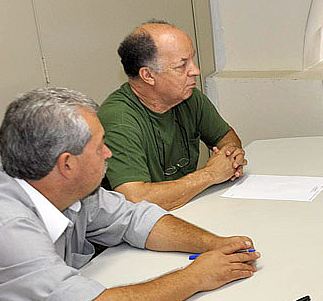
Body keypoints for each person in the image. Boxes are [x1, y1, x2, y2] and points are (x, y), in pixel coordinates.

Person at [0, 87, 260, 301]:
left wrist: (214, 245)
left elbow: (133, 218)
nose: (109, 153)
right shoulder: (1, 227)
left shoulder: (45, 172)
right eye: (100, 146)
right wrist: (196, 276)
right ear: (67, 164)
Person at [98, 20, 246, 210]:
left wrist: (230, 157)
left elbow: (227, 138)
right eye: (182, 66)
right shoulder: (119, 120)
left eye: (192, 60)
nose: (196, 71)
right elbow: (135, 199)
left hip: (185, 207)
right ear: (148, 76)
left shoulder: (188, 97)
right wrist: (210, 175)